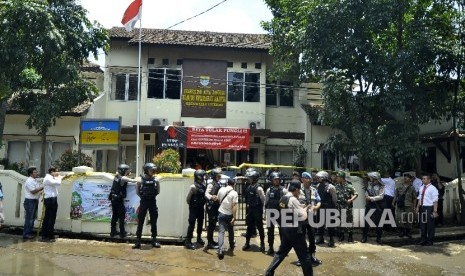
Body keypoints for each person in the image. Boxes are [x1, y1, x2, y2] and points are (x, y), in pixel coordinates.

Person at [265, 180, 313, 276]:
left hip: (285, 228)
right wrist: (306, 209)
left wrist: (300, 207)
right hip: (294, 230)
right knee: (305, 255)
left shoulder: (283, 198)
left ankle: (269, 272)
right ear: (296, 189)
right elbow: (303, 216)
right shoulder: (294, 199)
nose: (299, 192)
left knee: (281, 253)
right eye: (299, 190)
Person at [133, 163, 161, 249]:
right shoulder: (140, 180)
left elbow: (158, 191)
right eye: (151, 170)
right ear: (146, 170)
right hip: (144, 202)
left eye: (153, 170)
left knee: (153, 221)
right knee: (140, 221)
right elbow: (137, 192)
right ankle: (138, 241)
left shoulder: (156, 180)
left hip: (152, 201)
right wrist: (143, 197)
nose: (153, 171)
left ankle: (154, 240)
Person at [296, 171, 321, 267]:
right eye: (307, 179)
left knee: (311, 237)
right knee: (301, 238)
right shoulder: (297, 190)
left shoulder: (314, 190)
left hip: (311, 217)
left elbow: (319, 201)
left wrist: (316, 207)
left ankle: (312, 255)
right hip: (301, 218)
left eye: (309, 179)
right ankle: (301, 258)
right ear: (302, 179)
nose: (309, 181)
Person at [242, 168, 266, 252]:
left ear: (254, 178)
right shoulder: (248, 187)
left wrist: (263, 212)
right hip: (251, 210)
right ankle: (247, 243)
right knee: (249, 227)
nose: (248, 179)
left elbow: (263, 200)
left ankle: (262, 244)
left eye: (250, 177)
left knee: (260, 227)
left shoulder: (259, 188)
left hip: (257, 210)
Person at [109, 164, 135, 238]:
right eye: (127, 171)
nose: (128, 172)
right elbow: (133, 181)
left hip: (113, 198)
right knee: (121, 216)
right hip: (118, 200)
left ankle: (112, 232)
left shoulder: (116, 176)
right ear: (123, 171)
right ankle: (122, 233)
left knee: (115, 216)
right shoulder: (123, 178)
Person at [264, 171, 286, 255]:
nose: (276, 181)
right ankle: (270, 247)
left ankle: (282, 248)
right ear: (272, 180)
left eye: (278, 179)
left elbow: (286, 202)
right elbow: (266, 202)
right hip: (271, 213)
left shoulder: (283, 190)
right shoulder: (269, 190)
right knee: (270, 231)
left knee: (282, 231)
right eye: (275, 179)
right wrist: (264, 213)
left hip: (281, 213)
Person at [216, 178, 238, 260]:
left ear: (227, 183)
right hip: (229, 215)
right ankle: (231, 244)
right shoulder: (234, 193)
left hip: (221, 213)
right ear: (234, 184)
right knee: (230, 230)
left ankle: (220, 250)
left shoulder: (221, 189)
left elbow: (218, 199)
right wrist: (234, 217)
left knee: (221, 232)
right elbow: (234, 206)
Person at [185, 169, 207, 250]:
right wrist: (193, 205)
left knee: (200, 224)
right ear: (199, 177)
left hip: (201, 208)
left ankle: (199, 238)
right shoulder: (193, 187)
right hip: (194, 209)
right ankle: (188, 241)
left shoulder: (204, 185)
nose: (204, 178)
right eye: (203, 176)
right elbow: (188, 199)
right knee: (192, 224)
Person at [315, 171, 337, 247]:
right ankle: (320, 238)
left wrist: (333, 207)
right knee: (320, 223)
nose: (318, 179)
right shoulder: (318, 185)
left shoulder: (331, 187)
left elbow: (334, 199)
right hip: (321, 207)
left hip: (329, 207)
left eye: (319, 177)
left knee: (330, 225)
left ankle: (331, 239)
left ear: (323, 178)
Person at [361, 172, 385, 244]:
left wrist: (371, 198)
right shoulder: (369, 184)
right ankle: (364, 237)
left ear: (375, 179)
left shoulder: (382, 186)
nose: (370, 179)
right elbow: (366, 192)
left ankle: (379, 238)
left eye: (371, 178)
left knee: (379, 222)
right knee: (366, 221)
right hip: (370, 204)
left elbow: (381, 196)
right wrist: (367, 196)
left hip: (378, 204)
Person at [416, 174, 439, 246]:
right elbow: (420, 198)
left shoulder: (433, 188)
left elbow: (435, 200)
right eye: (422, 178)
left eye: (424, 178)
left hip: (429, 208)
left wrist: (435, 211)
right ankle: (423, 240)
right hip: (422, 207)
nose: (422, 180)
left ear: (429, 180)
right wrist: (417, 207)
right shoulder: (421, 187)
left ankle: (430, 241)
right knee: (422, 225)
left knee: (430, 226)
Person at [335, 171, 358, 242]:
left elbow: (356, 194)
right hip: (339, 207)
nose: (336, 179)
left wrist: (351, 200)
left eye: (338, 177)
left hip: (347, 207)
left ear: (342, 178)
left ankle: (350, 236)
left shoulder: (349, 186)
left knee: (349, 221)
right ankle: (341, 235)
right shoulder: (337, 186)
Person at [41, 166, 63, 242]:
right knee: (50, 218)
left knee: (48, 217)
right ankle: (48, 236)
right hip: (50, 200)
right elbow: (58, 183)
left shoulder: (51, 178)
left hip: (51, 199)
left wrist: (61, 177)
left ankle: (47, 234)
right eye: (56, 171)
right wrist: (59, 177)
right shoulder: (48, 178)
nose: (58, 173)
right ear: (52, 172)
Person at [394, 174, 417, 239]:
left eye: (406, 178)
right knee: (399, 218)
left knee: (409, 219)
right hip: (400, 205)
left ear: (410, 179)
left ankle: (408, 232)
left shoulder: (412, 187)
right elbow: (396, 195)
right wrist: (393, 202)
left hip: (408, 205)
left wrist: (414, 207)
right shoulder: (399, 186)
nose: (405, 179)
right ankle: (401, 230)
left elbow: (414, 198)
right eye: (404, 178)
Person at [23, 167, 43, 241]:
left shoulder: (34, 180)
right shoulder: (29, 181)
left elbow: (37, 190)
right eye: (35, 172)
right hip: (30, 201)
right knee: (29, 219)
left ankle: (29, 233)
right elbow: (33, 191)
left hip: (34, 201)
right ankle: (26, 234)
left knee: (32, 218)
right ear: (31, 174)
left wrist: (40, 192)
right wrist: (42, 187)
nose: (37, 173)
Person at [205, 167, 223, 249]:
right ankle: (209, 242)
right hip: (211, 207)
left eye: (220, 176)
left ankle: (211, 241)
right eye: (218, 176)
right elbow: (206, 194)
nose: (220, 177)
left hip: (216, 207)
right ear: (214, 176)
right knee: (211, 225)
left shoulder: (218, 183)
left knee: (214, 224)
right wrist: (212, 197)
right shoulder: (211, 184)